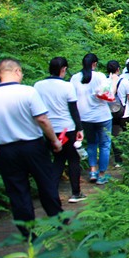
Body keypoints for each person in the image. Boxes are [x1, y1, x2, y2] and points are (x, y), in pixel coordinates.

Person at [0, 58, 63, 237]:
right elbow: (42, 119)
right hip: (33, 146)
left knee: (17, 191)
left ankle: (28, 233)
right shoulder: (28, 92)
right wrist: (54, 141)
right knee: (47, 184)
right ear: (16, 71)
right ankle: (59, 224)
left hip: (6, 150)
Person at [34, 57, 85, 203]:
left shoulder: (38, 86)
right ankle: (76, 192)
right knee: (73, 159)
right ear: (63, 69)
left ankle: (51, 193)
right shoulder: (67, 86)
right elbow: (73, 109)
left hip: (48, 129)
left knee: (57, 159)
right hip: (67, 128)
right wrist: (79, 128)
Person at [70, 53, 113, 185]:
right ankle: (102, 174)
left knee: (92, 144)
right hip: (102, 116)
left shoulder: (75, 78)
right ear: (94, 64)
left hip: (84, 117)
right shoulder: (100, 76)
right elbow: (108, 93)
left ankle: (93, 171)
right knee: (105, 145)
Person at [107, 60, 129, 168]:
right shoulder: (124, 81)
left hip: (111, 113)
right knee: (128, 134)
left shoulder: (105, 82)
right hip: (125, 113)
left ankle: (118, 160)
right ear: (118, 69)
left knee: (115, 136)